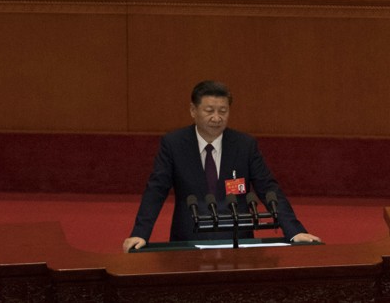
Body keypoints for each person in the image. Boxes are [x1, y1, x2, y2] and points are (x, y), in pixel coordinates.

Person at [123, 81, 319, 250]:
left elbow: (268, 188)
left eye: (222, 111)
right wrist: (140, 233)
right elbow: (156, 190)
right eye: (209, 111)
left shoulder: (244, 145)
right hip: (189, 239)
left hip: (238, 239)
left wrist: (295, 231)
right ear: (193, 110)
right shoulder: (174, 144)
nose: (216, 118)